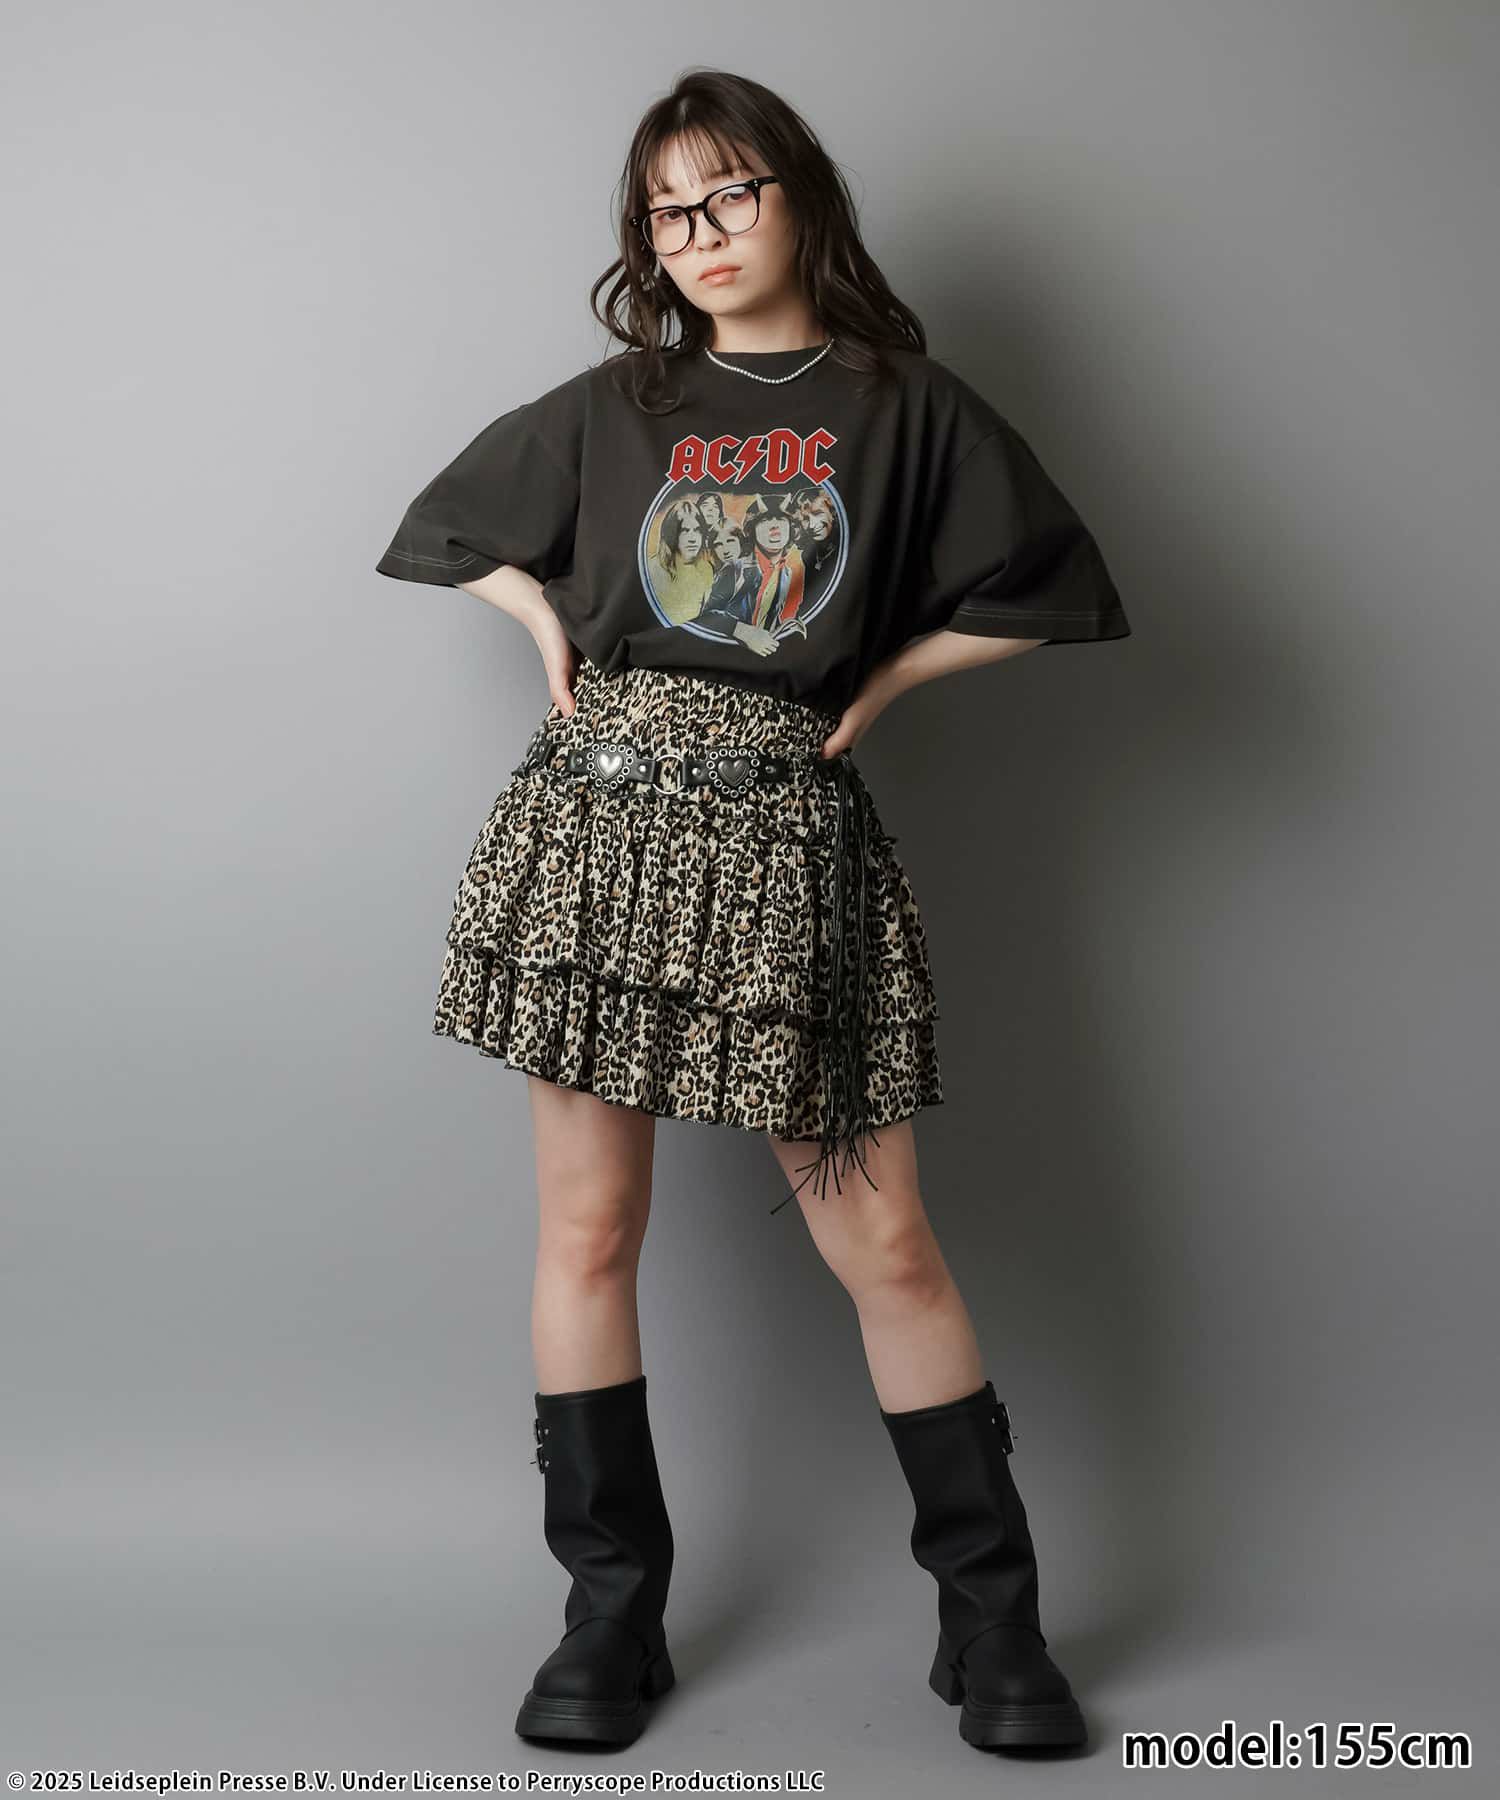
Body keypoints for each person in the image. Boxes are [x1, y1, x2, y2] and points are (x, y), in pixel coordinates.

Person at [375, 68, 1130, 1756]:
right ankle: (610, 1616)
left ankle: (994, 1624)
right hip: (598, 829)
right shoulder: (617, 402)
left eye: (732, 195)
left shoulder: (905, 405)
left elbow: (1051, 581)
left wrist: (889, 683)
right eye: (668, 211)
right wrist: (540, 621)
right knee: (589, 1231)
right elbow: (448, 527)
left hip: (790, 838)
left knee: (886, 1240)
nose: (701, 235)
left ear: (800, 197)